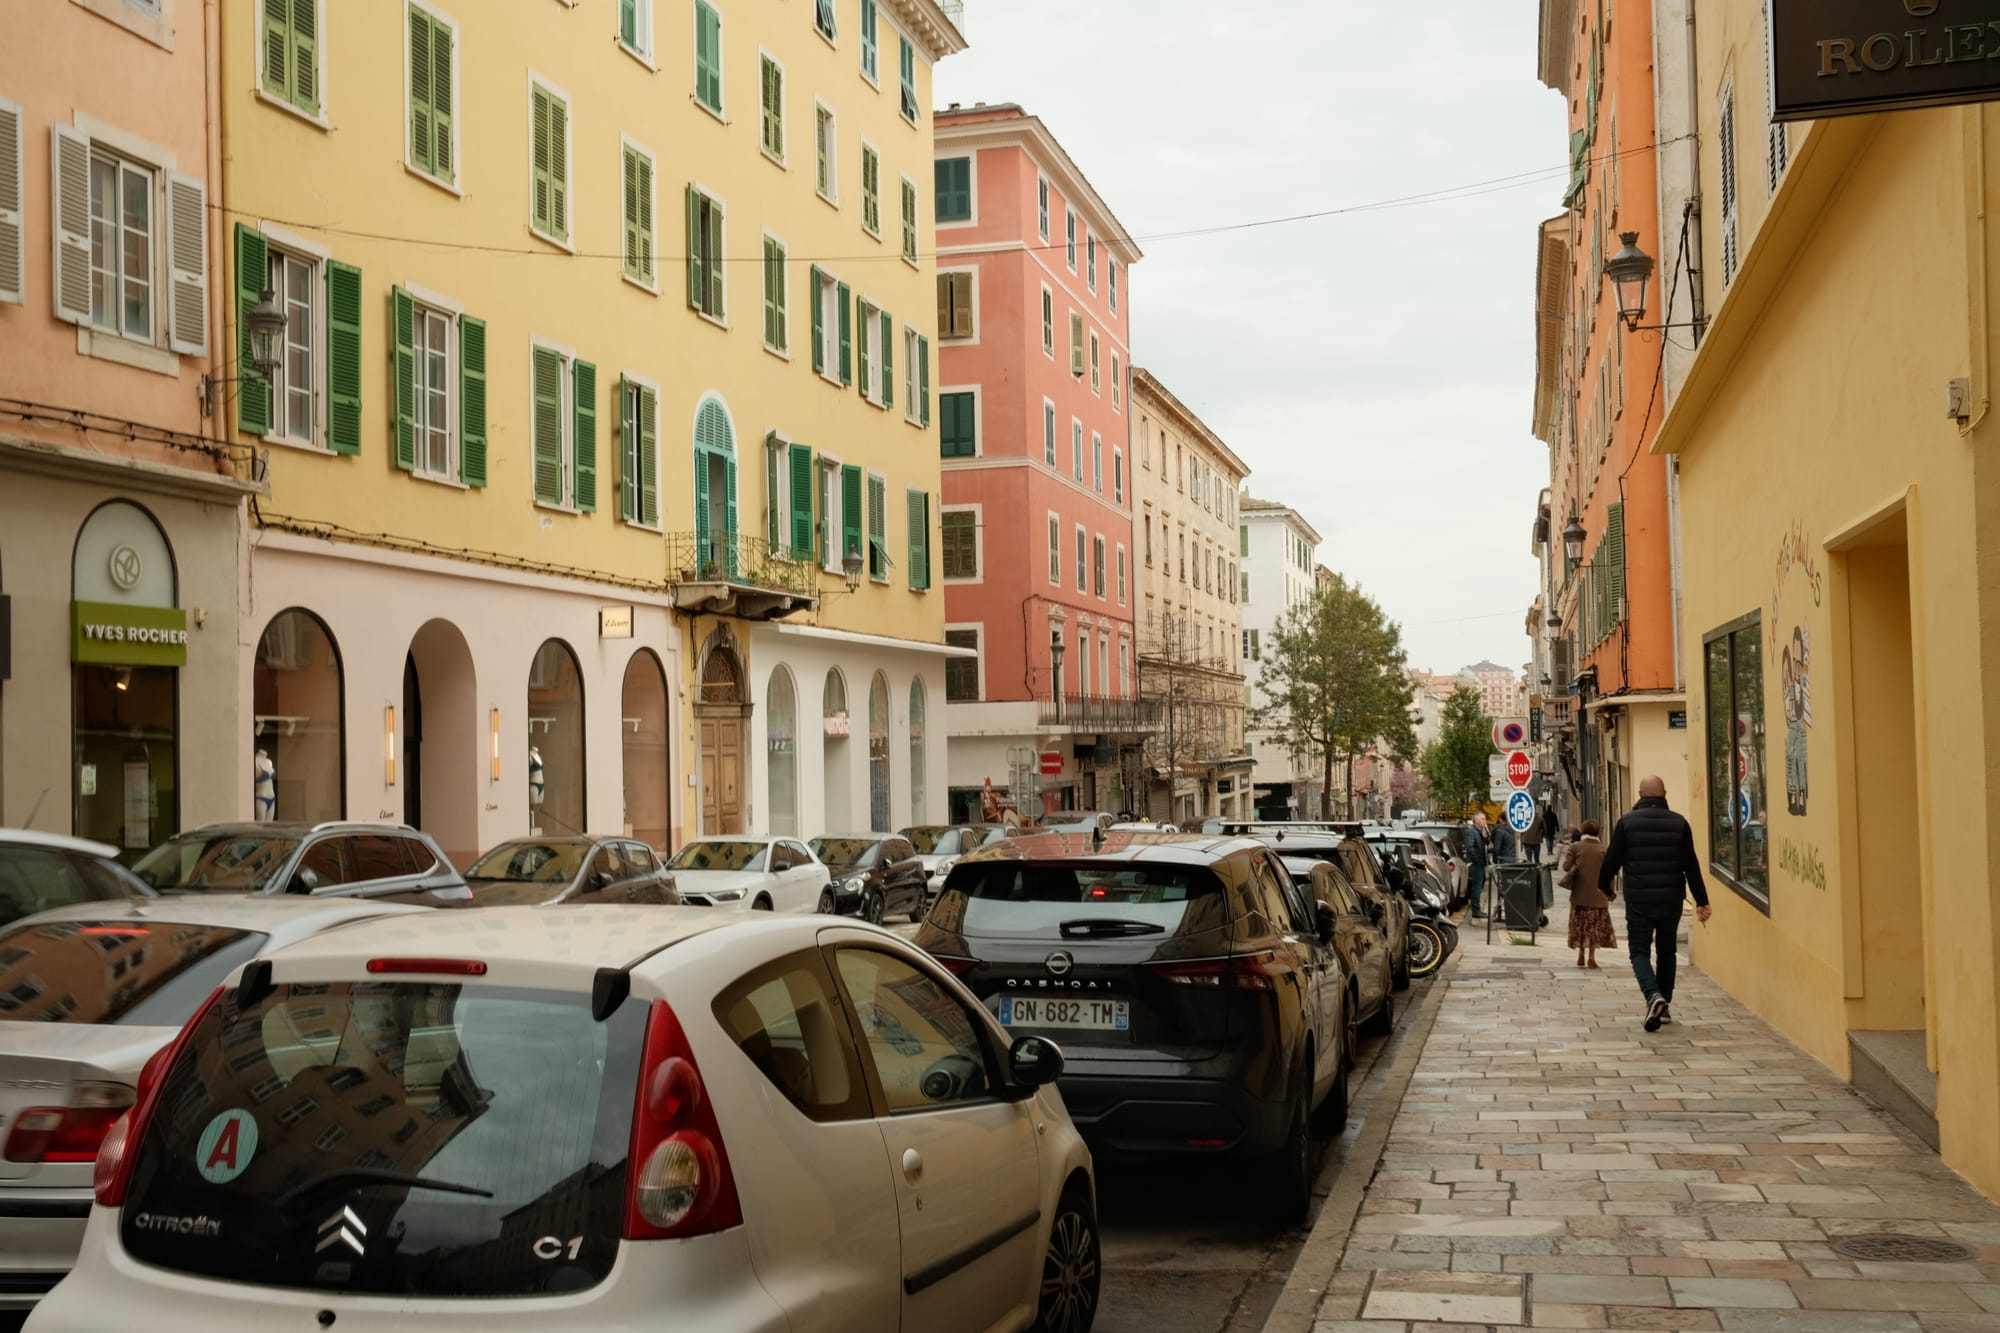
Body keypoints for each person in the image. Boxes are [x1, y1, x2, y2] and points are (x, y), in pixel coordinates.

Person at [1600, 775, 1712, 1032]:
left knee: (1639, 951)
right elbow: (1691, 866)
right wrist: (1702, 901)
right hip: (1671, 900)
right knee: (1666, 952)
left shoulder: (1627, 823)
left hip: (1639, 900)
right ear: (1664, 793)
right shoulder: (1679, 823)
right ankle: (1664, 1005)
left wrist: (1604, 887)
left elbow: (1611, 861)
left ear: (1640, 794)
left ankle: (1653, 996)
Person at [1559, 820, 1613, 968]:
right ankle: (1592, 957)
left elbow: (1565, 867)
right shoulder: (1604, 849)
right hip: (1599, 895)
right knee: (1594, 926)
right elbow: (1610, 873)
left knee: (1581, 925)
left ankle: (1581, 954)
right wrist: (1610, 892)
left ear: (1583, 831)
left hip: (1579, 894)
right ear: (1598, 832)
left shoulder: (1576, 847)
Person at [1464, 811, 1491, 918]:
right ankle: (1476, 910)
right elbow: (1470, 847)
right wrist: (1477, 860)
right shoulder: (1472, 832)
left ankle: (1476, 907)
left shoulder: (1480, 831)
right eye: (1483, 819)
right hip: (1475, 863)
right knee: (1476, 886)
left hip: (1480, 863)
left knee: (1480, 885)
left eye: (1485, 819)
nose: (1485, 821)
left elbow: (1485, 845)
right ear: (1476, 820)